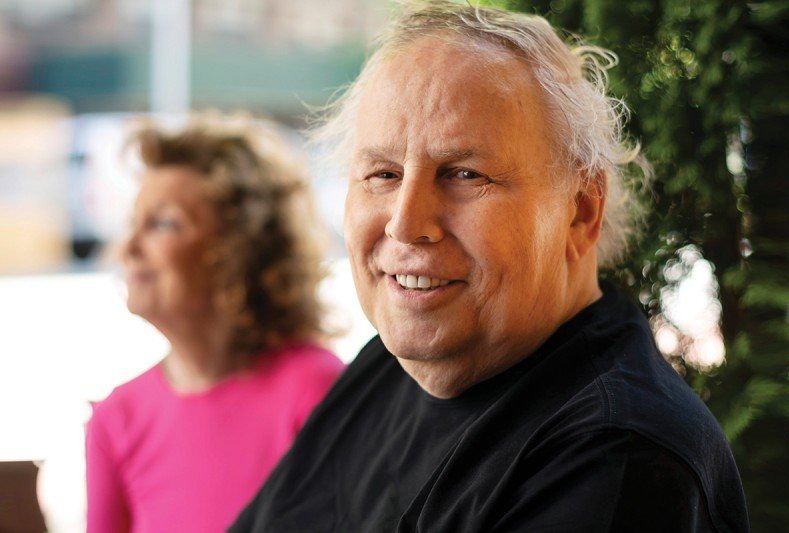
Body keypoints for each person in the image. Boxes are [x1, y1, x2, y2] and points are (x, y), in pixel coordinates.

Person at [231, 1, 749, 531]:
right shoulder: (394, 364)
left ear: (581, 210)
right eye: (383, 174)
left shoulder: (618, 458)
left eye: (464, 174)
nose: (405, 224)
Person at [85, 117, 344, 533]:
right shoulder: (116, 419)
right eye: (132, 223)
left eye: (163, 223)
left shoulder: (318, 391)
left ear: (239, 247)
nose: (129, 248)